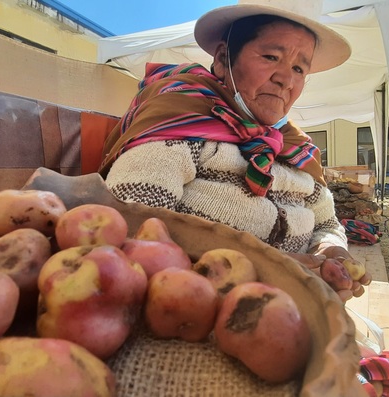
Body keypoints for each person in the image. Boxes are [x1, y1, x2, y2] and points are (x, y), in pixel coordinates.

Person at [99, 0, 370, 302]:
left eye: (298, 68)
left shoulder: (295, 147)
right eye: (270, 57)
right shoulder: (180, 119)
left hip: (297, 311)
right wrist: (264, 270)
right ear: (223, 58)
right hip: (196, 310)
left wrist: (331, 249)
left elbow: (326, 223)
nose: (286, 79)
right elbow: (131, 225)